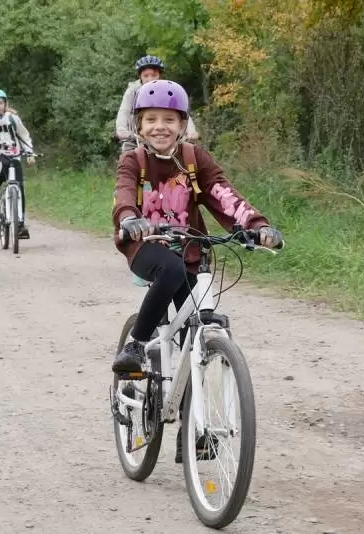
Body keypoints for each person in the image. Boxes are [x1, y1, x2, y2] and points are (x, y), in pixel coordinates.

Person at [111, 79, 284, 463]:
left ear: (183, 123)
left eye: (169, 119)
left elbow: (224, 195)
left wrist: (256, 225)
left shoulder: (193, 159)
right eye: (151, 119)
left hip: (190, 248)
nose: (160, 127)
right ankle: (136, 345)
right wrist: (129, 219)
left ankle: (193, 432)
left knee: (199, 333)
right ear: (139, 125)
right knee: (170, 269)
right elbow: (124, 194)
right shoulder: (134, 161)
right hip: (145, 246)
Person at [0, 88, 36, 239]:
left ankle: (21, 223)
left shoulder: (13, 118)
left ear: (5, 104)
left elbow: (24, 135)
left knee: (19, 187)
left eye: (1, 103)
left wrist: (29, 152)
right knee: (0, 166)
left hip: (14, 154)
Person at [115, 55, 199, 152]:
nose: (150, 79)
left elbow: (182, 112)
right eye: (146, 76)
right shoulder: (133, 91)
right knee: (128, 155)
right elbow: (124, 111)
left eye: (154, 75)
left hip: (165, 135)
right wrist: (121, 130)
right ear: (140, 77)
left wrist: (191, 131)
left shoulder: (168, 89)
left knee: (188, 153)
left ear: (160, 76)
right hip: (137, 136)